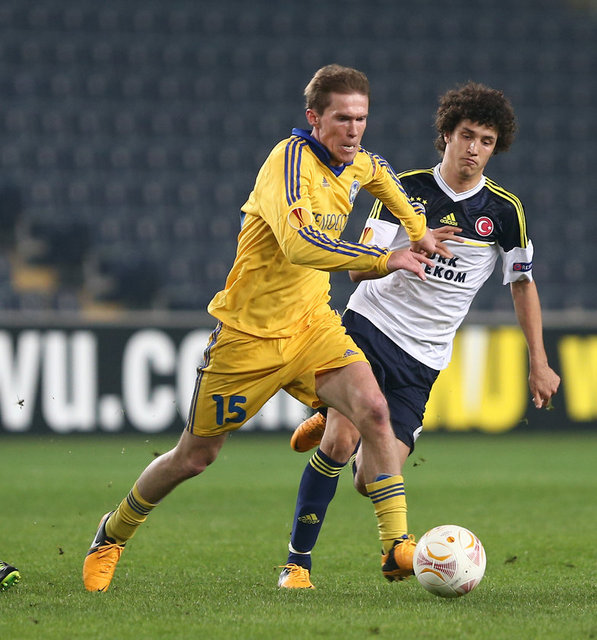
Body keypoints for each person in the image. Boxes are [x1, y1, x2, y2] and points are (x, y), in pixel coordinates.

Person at [82, 64, 451, 592]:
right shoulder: (288, 163)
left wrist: (418, 232)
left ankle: (395, 545)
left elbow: (383, 176)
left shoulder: (356, 161)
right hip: (248, 338)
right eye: (342, 119)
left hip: (312, 327)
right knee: (195, 457)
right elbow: (301, 246)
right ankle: (112, 533)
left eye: (361, 118)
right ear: (313, 118)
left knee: (374, 409)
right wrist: (384, 257)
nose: (354, 130)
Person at [280, 81, 561, 588]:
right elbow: (356, 271)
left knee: (369, 480)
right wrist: (411, 249)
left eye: (486, 141)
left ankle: (332, 414)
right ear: (447, 134)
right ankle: (298, 563)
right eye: (467, 135)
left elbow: (522, 285)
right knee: (341, 442)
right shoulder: (404, 189)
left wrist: (538, 362)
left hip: (423, 358)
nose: (474, 149)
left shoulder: (505, 212)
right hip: (370, 327)